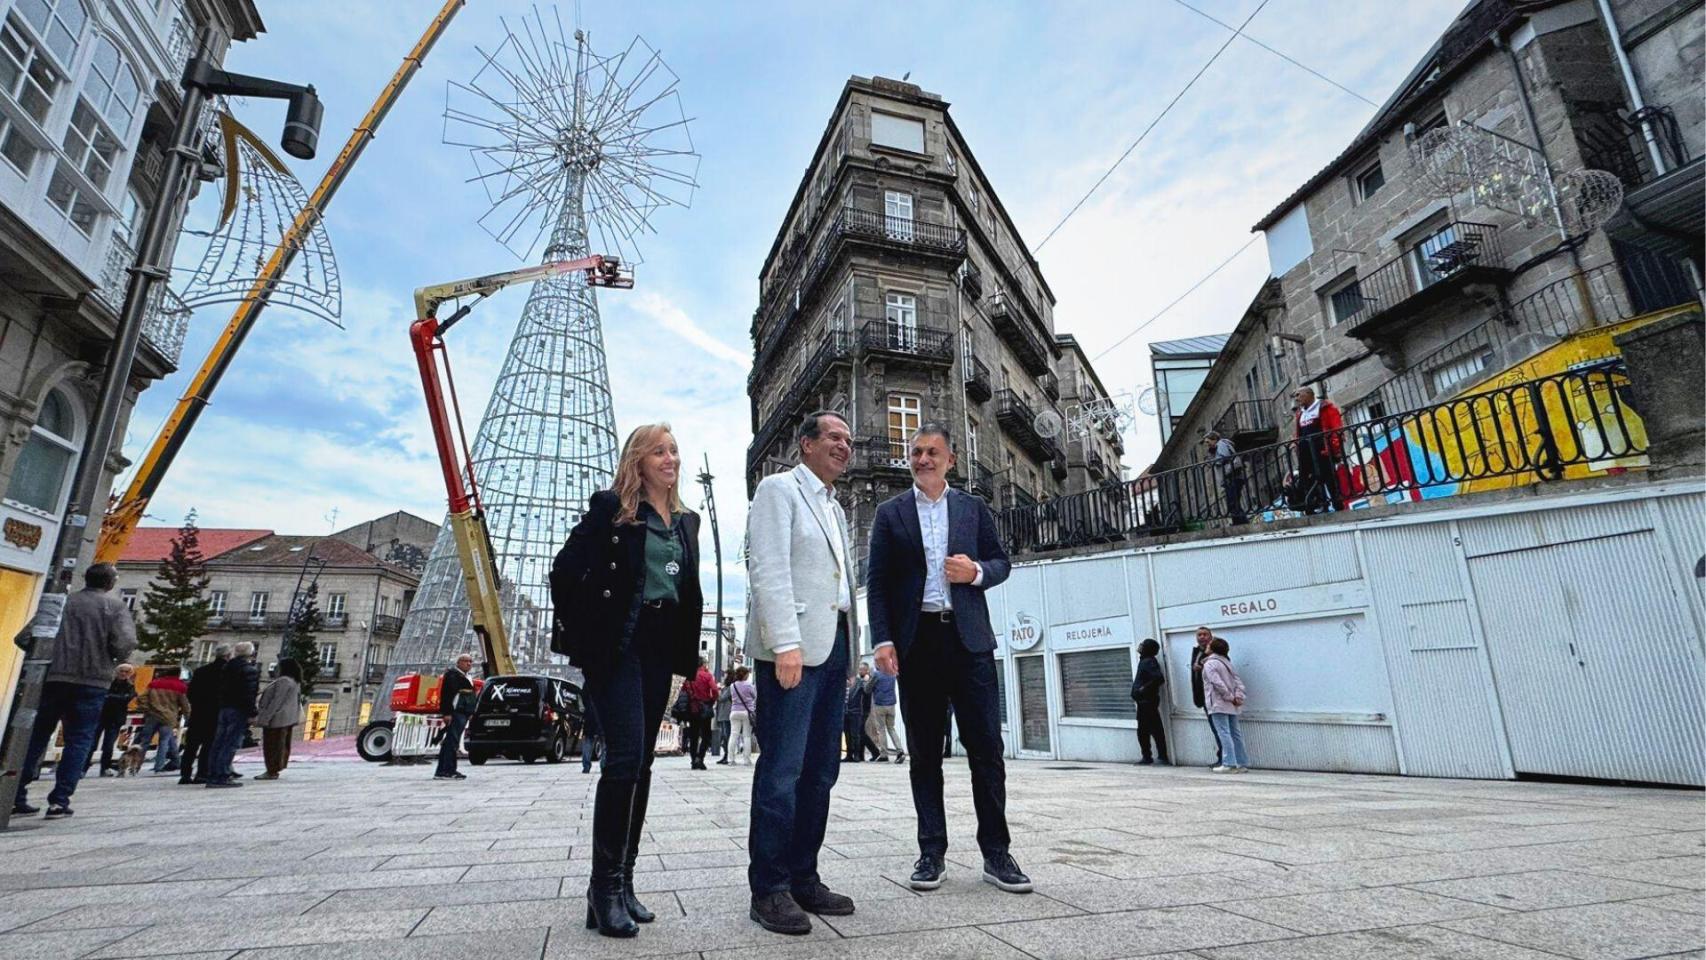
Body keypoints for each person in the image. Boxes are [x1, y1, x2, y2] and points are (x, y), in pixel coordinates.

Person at [551, 423, 703, 939]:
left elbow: (689, 590)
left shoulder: (686, 522)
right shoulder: (610, 512)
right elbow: (563, 572)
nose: (671, 458)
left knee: (641, 763)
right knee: (623, 757)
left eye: (674, 450)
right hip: (619, 645)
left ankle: (624, 883)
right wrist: (586, 635)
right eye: (659, 451)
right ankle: (603, 887)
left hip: (662, 645)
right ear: (637, 460)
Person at [866, 424, 1031, 895]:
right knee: (923, 755)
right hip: (917, 645)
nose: (922, 459)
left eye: (932, 451)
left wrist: (975, 571)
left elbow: (1001, 562)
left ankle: (997, 853)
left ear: (950, 460)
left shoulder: (973, 509)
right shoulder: (890, 513)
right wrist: (883, 640)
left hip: (970, 642)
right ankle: (931, 852)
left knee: (986, 751)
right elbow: (877, 583)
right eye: (916, 452)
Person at [742, 411, 860, 935]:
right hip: (792, 649)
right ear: (805, 444)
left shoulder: (835, 507)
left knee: (821, 773)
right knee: (782, 772)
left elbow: (836, 584)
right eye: (834, 437)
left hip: (833, 649)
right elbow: (767, 567)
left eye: (848, 440)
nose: (844, 446)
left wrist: (851, 652)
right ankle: (769, 888)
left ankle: (803, 877)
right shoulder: (778, 490)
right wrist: (784, 642)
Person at [13, 563, 138, 818]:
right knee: (79, 739)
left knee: (37, 735)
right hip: (92, 681)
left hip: (54, 678)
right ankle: (60, 800)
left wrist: (48, 656)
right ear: (111, 583)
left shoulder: (61, 603)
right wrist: (111, 657)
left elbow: (24, 638)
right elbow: (125, 643)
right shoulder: (114, 607)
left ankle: (15, 793)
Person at [207, 641, 258, 788]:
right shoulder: (249, 669)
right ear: (250, 654)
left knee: (219, 742)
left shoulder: (226, 667)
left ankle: (212, 774)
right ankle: (222, 775)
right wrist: (252, 712)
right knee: (230, 743)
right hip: (238, 709)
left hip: (224, 708)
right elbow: (248, 693)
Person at [180, 646, 229, 785]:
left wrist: (196, 704)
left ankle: (185, 774)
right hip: (215, 712)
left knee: (191, 745)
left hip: (198, 711)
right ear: (227, 656)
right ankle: (202, 773)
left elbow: (191, 692)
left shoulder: (201, 671)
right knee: (208, 745)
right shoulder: (226, 672)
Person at [1292, 386, 1344, 514]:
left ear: (1309, 394)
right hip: (1305, 452)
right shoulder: (1300, 414)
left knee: (1329, 476)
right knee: (1306, 478)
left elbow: (1336, 429)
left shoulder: (1325, 407)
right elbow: (1299, 433)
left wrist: (1335, 448)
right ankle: (1313, 505)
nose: (1297, 398)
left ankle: (1337, 503)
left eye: (1299, 395)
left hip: (1322, 449)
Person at [1202, 637, 1249, 773]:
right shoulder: (1227, 663)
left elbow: (1216, 683)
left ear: (1213, 648)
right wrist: (1238, 697)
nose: (1207, 646)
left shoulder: (1210, 664)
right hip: (1232, 703)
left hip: (1218, 702)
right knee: (1235, 733)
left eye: (1209, 644)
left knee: (1223, 732)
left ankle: (1229, 763)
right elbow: (1237, 681)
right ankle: (1241, 762)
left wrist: (1229, 697)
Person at [254, 658, 303, 780]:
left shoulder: (283, 681)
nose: (275, 668)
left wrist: (265, 718)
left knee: (272, 745)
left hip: (277, 719)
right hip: (286, 719)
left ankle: (272, 770)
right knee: (280, 745)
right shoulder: (294, 681)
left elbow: (276, 701)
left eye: (278, 666)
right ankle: (274, 769)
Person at [136, 666, 190, 774]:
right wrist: (188, 716)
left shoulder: (155, 683)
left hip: (152, 715)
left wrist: (146, 708)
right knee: (164, 742)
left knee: (145, 741)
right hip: (168, 717)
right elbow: (185, 705)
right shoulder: (180, 686)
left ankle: (136, 765)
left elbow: (141, 698)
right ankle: (159, 766)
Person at [89, 663, 137, 777]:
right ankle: (84, 766)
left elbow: (126, 698)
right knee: (92, 743)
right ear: (117, 672)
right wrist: (118, 698)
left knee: (109, 745)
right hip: (101, 716)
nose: (123, 674)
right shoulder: (110, 683)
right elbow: (109, 696)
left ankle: (104, 767)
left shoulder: (129, 686)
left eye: (126, 672)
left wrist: (111, 697)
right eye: (122, 671)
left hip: (115, 718)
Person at [434, 653, 476, 782]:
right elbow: (447, 695)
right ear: (458, 663)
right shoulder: (452, 675)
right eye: (465, 661)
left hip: (462, 713)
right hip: (455, 713)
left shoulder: (464, 676)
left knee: (452, 742)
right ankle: (446, 770)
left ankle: (447, 769)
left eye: (470, 661)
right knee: (451, 742)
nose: (469, 664)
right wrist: (446, 713)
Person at [1130, 639, 1169, 765]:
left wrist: (1143, 689)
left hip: (1147, 701)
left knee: (1151, 730)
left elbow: (1158, 678)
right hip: (1144, 701)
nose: (1140, 646)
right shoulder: (1145, 661)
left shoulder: (1148, 661)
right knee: (1146, 730)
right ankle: (1149, 756)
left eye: (1143, 645)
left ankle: (1156, 756)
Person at [1188, 627, 1220, 768]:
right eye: (1199, 635)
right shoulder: (1197, 652)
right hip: (1203, 697)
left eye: (1205, 634)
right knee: (1216, 728)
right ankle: (1222, 757)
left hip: (1214, 698)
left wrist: (1204, 666)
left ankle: (1226, 758)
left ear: (1211, 636)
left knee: (1220, 729)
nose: (1202, 637)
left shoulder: (1217, 652)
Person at [1204, 430, 1248, 525]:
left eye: (1208, 442)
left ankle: (1241, 523)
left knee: (1232, 503)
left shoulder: (1221, 444)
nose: (1207, 444)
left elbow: (1222, 459)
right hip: (1232, 476)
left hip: (1232, 476)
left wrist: (1212, 459)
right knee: (1233, 502)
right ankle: (1239, 522)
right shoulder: (1219, 446)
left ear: (1214, 439)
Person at [684, 659, 719, 770]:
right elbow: (714, 689)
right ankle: (700, 757)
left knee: (694, 735)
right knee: (706, 735)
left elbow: (684, 691)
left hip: (693, 708)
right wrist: (711, 701)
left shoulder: (688, 677)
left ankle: (693, 759)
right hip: (705, 707)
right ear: (703, 664)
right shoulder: (707, 675)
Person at [866, 661, 903, 763]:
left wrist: (869, 678)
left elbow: (867, 689)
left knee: (881, 729)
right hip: (891, 705)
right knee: (891, 728)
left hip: (880, 705)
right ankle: (900, 750)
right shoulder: (892, 673)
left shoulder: (876, 674)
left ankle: (884, 754)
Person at [727, 666, 756, 765]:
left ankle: (731, 759)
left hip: (734, 712)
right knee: (746, 736)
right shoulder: (749, 685)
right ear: (745, 675)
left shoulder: (732, 686)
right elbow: (754, 696)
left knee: (733, 735)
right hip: (746, 712)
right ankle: (746, 760)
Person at [842, 671, 868, 763]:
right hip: (844, 711)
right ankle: (849, 754)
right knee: (847, 734)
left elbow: (866, 690)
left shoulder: (859, 681)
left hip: (856, 711)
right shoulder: (842, 680)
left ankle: (857, 754)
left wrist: (866, 680)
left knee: (855, 734)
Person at [714, 671, 734, 765]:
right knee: (724, 736)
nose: (723, 678)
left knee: (727, 736)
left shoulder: (730, 688)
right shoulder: (727, 688)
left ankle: (727, 756)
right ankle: (726, 755)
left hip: (726, 714)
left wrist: (717, 691)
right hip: (723, 714)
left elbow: (722, 698)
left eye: (725, 676)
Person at [581, 703, 602, 774]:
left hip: (589, 722)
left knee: (587, 744)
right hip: (602, 722)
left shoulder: (590, 697)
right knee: (605, 746)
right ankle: (604, 766)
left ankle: (586, 767)